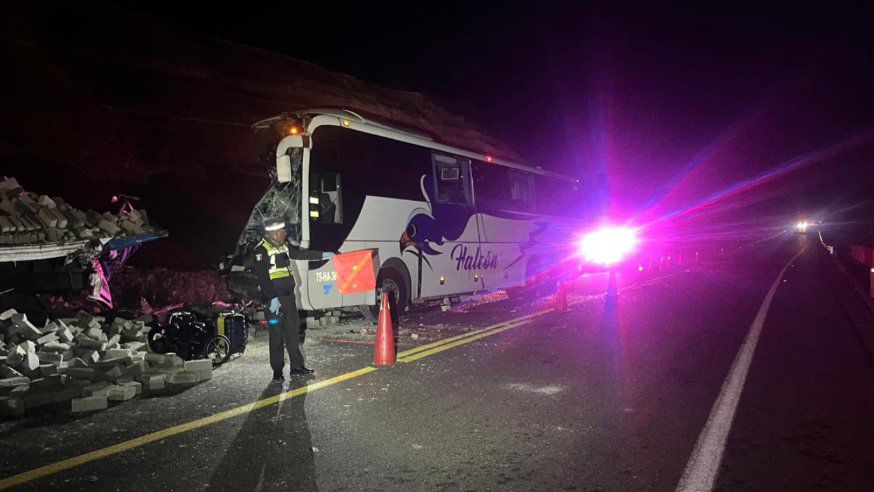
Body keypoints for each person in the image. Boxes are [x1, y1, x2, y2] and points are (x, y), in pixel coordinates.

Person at [253, 217, 334, 383]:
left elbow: (299, 254)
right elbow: (262, 278)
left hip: (288, 297)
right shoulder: (261, 250)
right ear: (274, 233)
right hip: (273, 301)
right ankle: (277, 372)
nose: (285, 233)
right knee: (276, 335)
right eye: (283, 231)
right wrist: (272, 299)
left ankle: (297, 367)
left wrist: (322, 255)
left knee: (292, 332)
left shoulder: (283, 246)